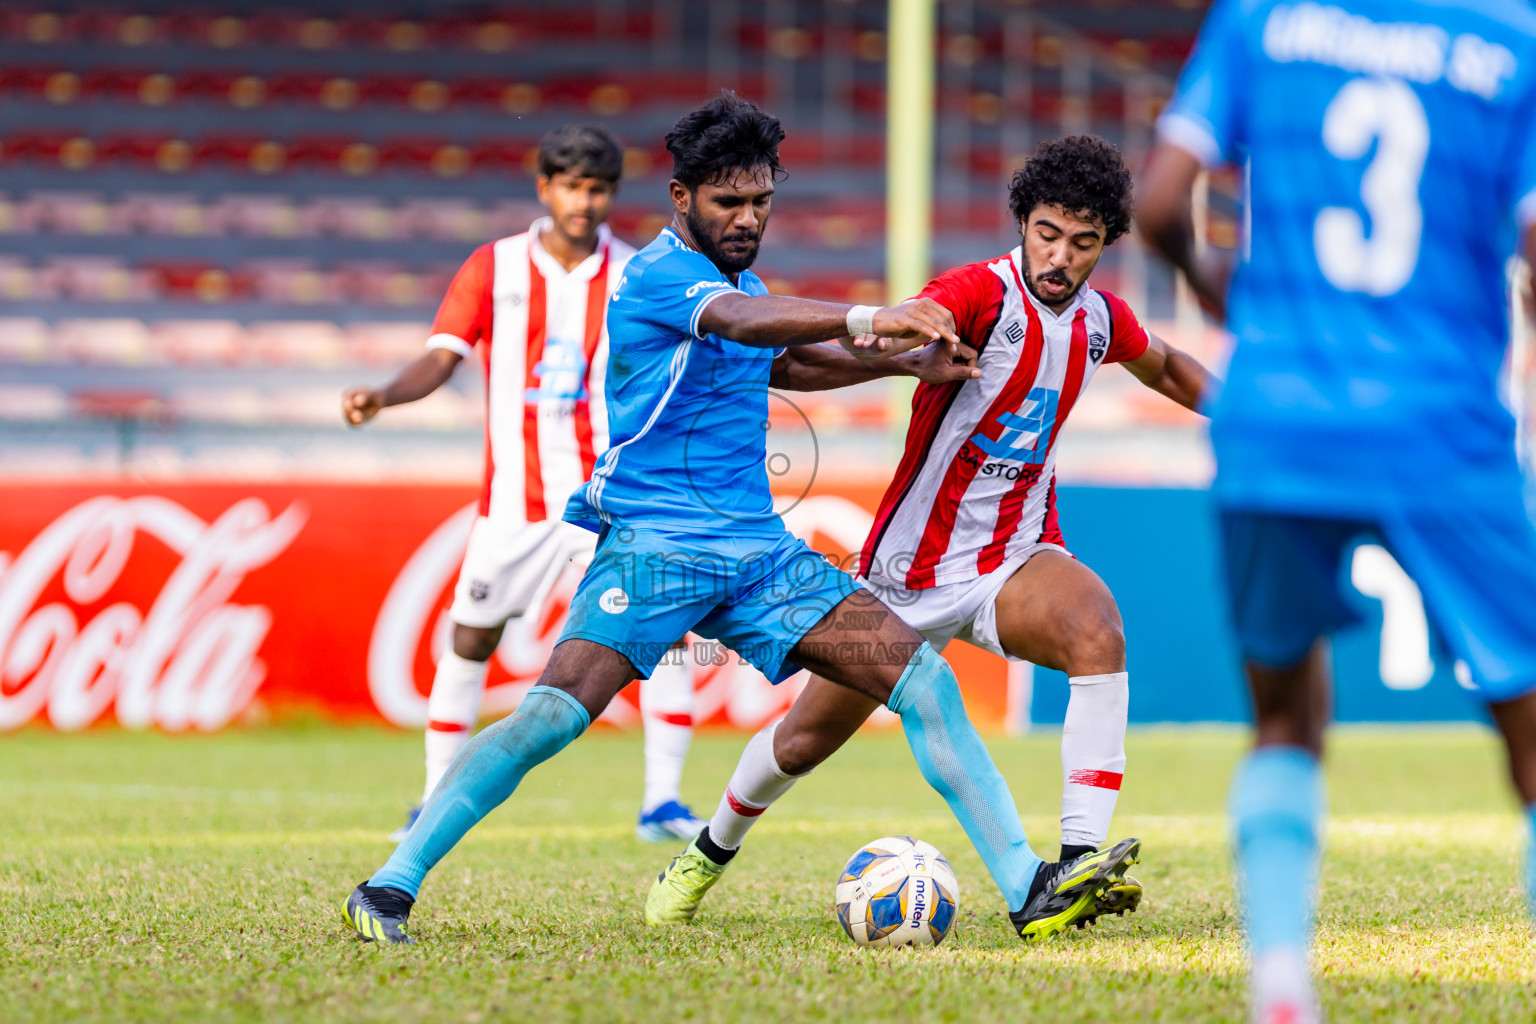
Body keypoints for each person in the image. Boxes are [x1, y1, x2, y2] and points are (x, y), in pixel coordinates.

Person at [341, 92, 1140, 947]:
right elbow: (739, 322)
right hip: (655, 551)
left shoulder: (744, 283)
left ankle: (1030, 889)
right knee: (554, 715)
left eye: (761, 201)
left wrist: (906, 364)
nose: (748, 218)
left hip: (761, 560)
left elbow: (789, 361)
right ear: (681, 198)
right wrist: (872, 318)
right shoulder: (656, 278)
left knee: (923, 680)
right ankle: (391, 883)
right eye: (729, 201)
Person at [648, 134, 1216, 929]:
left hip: (1014, 558)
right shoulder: (979, 292)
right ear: (1024, 222)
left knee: (1096, 630)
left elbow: (1168, 365)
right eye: (1047, 232)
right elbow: (922, 316)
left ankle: (1076, 867)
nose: (1060, 256)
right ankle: (706, 853)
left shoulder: (1099, 320)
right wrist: (907, 335)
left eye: (1082, 243)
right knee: (802, 744)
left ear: (1103, 247)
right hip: (907, 573)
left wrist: (1245, 415)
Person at [1136, 2, 1536, 1021]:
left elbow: (1161, 205)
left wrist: (1217, 285)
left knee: (1282, 716)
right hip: (1441, 423)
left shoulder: (1263, 21)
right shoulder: (1510, 43)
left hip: (1275, 417)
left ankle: (1281, 983)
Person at [341, 123, 705, 844]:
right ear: (545, 187)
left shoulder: (637, 272)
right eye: (572, 185)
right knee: (470, 638)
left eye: (598, 188)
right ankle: (433, 798)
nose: (585, 201)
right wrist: (383, 395)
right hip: (515, 502)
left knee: (661, 635)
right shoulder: (494, 268)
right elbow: (441, 358)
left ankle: (662, 803)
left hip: (607, 498)